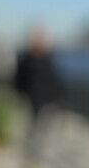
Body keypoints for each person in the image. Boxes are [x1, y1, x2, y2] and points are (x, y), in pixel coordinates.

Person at [13, 26, 63, 159]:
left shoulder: (47, 59)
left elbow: (54, 81)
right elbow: (18, 80)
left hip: (46, 100)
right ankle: (30, 151)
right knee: (31, 127)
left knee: (43, 128)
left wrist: (57, 99)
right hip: (29, 99)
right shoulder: (25, 59)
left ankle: (36, 151)